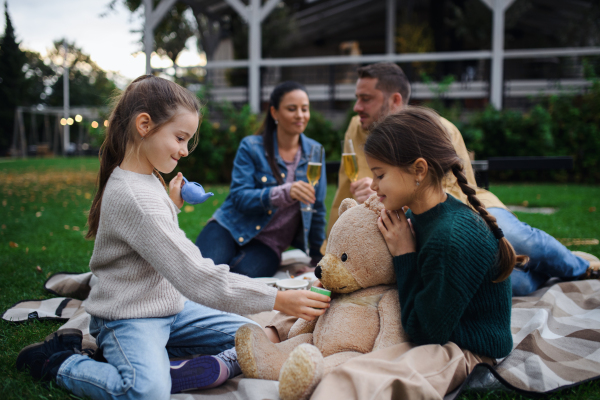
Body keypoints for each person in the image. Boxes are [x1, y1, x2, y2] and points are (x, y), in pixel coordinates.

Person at [15, 75, 331, 399]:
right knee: (148, 391)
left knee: (252, 335)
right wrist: (277, 297)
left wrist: (171, 205)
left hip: (171, 309)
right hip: (129, 317)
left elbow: (152, 237)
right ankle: (61, 362)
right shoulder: (134, 195)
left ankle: (173, 363)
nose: (183, 151)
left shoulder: (146, 176)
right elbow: (195, 275)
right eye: (180, 138)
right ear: (144, 125)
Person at [325, 62, 599, 297]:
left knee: (517, 238)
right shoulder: (356, 129)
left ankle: (581, 268)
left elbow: (457, 192)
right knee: (506, 282)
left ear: (395, 100)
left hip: (465, 213)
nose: (357, 107)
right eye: (357, 98)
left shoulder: (438, 130)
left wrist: (409, 215)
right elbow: (342, 192)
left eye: (366, 99)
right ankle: (536, 272)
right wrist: (329, 249)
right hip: (397, 235)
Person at [311, 106, 517, 399]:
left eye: (380, 174)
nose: (373, 184)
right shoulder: (420, 217)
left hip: (465, 350)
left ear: (418, 170)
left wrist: (405, 255)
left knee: (357, 377)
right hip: (431, 328)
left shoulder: (450, 237)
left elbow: (423, 334)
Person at [195, 81, 327, 278]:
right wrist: (283, 193)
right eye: (292, 109)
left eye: (304, 109)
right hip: (229, 227)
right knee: (202, 273)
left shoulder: (315, 152)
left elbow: (316, 208)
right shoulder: (251, 147)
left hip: (269, 244)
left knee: (239, 278)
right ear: (274, 113)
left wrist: (318, 259)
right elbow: (239, 197)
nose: (300, 115)